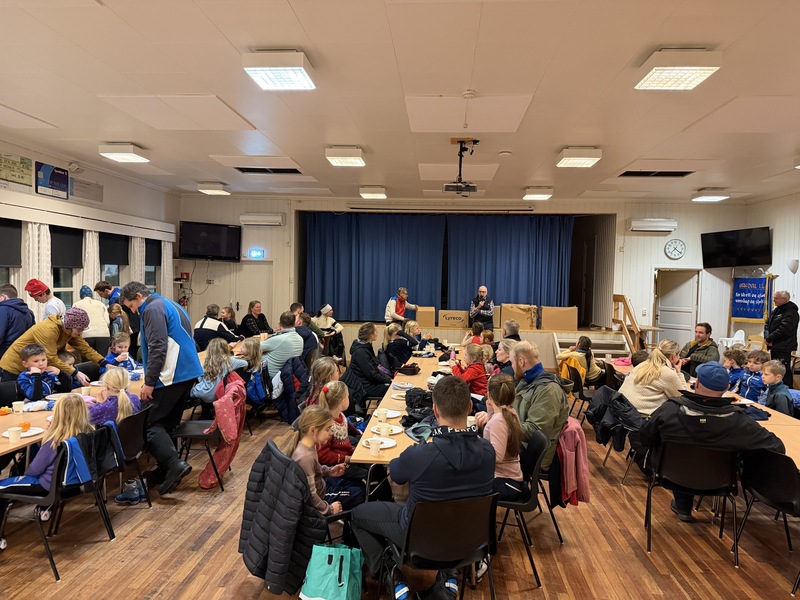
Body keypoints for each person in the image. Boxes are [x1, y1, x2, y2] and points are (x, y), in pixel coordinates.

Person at [350, 376, 495, 599]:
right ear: (469, 407)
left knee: (358, 515)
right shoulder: (488, 451)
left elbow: (396, 474)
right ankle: (449, 576)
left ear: (435, 410)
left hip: (417, 539)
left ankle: (392, 576)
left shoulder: (420, 455)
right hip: (471, 538)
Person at [639, 361, 785, 522]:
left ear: (697, 383)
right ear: (727, 387)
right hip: (721, 482)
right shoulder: (739, 421)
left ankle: (683, 506)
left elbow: (645, 437)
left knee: (684, 456)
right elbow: (776, 446)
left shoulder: (669, 410)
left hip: (670, 475)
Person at [120, 281, 203, 495]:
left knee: (149, 424)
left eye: (132, 306)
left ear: (139, 296)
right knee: (167, 424)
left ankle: (174, 465)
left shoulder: (152, 309)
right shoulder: (169, 303)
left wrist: (149, 382)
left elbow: (158, 345)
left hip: (171, 375)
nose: (133, 311)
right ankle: (166, 469)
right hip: (186, 372)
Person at [0, 394, 93, 532]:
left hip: (46, 486)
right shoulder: (87, 434)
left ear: (58, 416)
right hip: (70, 483)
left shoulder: (54, 442)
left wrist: (48, 436)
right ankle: (46, 508)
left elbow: (34, 471)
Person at [476, 341, 570, 471]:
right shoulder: (527, 380)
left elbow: (536, 431)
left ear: (521, 361)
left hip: (531, 455)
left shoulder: (549, 390)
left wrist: (498, 422)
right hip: (516, 443)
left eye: (512, 363)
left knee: (476, 452)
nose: (512, 367)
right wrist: (493, 416)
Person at [0, 307, 108, 386]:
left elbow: (85, 349)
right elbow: (50, 357)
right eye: (79, 329)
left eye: (83, 329)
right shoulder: (49, 330)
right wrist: (75, 373)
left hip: (34, 365)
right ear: (70, 325)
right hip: (15, 365)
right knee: (14, 400)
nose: (81, 333)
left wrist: (105, 363)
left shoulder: (69, 330)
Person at [286, 406, 346, 516]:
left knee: (354, 485)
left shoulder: (310, 445)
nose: (331, 433)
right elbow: (311, 496)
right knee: (358, 494)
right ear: (312, 430)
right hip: (321, 499)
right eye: (327, 429)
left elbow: (315, 470)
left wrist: (329, 471)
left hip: (322, 487)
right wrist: (330, 509)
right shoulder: (305, 458)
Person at [619, 339, 688, 417]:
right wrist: (679, 372)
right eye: (679, 355)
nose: (679, 358)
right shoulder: (667, 373)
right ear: (673, 356)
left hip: (622, 411)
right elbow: (683, 397)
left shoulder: (642, 364)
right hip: (640, 418)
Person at [483, 374, 524, 501]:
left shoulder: (499, 421)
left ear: (489, 395)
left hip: (505, 482)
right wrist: (491, 410)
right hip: (510, 477)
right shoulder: (511, 412)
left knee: (463, 481)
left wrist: (475, 450)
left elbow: (497, 456)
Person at [190, 337, 247, 413]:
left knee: (196, 387)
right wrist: (232, 358)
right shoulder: (230, 361)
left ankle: (206, 412)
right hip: (222, 393)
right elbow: (245, 363)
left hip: (204, 394)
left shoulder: (203, 364)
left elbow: (200, 379)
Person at [764, 290, 799, 388]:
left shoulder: (791, 312)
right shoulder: (777, 310)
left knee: (783, 370)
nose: (773, 300)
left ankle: (787, 390)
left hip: (784, 346)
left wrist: (770, 338)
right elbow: (767, 324)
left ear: (784, 299)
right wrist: (767, 338)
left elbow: (784, 329)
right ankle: (775, 388)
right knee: (775, 369)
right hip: (774, 345)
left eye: (776, 298)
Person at [349, 322, 392, 399]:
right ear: (371, 335)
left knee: (394, 386)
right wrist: (388, 380)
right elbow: (371, 375)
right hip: (364, 387)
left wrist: (388, 379)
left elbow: (375, 369)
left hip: (370, 383)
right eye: (376, 331)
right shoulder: (360, 352)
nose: (377, 333)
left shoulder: (366, 347)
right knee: (393, 389)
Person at [260, 311, 303, 376]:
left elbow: (255, 348)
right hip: (289, 375)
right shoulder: (300, 339)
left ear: (279, 323)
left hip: (271, 376)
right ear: (294, 324)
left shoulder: (279, 339)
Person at [73, 285, 111, 356]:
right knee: (101, 359)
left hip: (86, 335)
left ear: (81, 296)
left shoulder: (77, 304)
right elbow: (107, 321)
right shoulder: (101, 304)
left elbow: (75, 321)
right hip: (103, 334)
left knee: (87, 359)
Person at [0, 284, 34, 359]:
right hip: (24, 354)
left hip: (4, 354)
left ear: (3, 296)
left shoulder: (3, 310)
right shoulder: (29, 312)